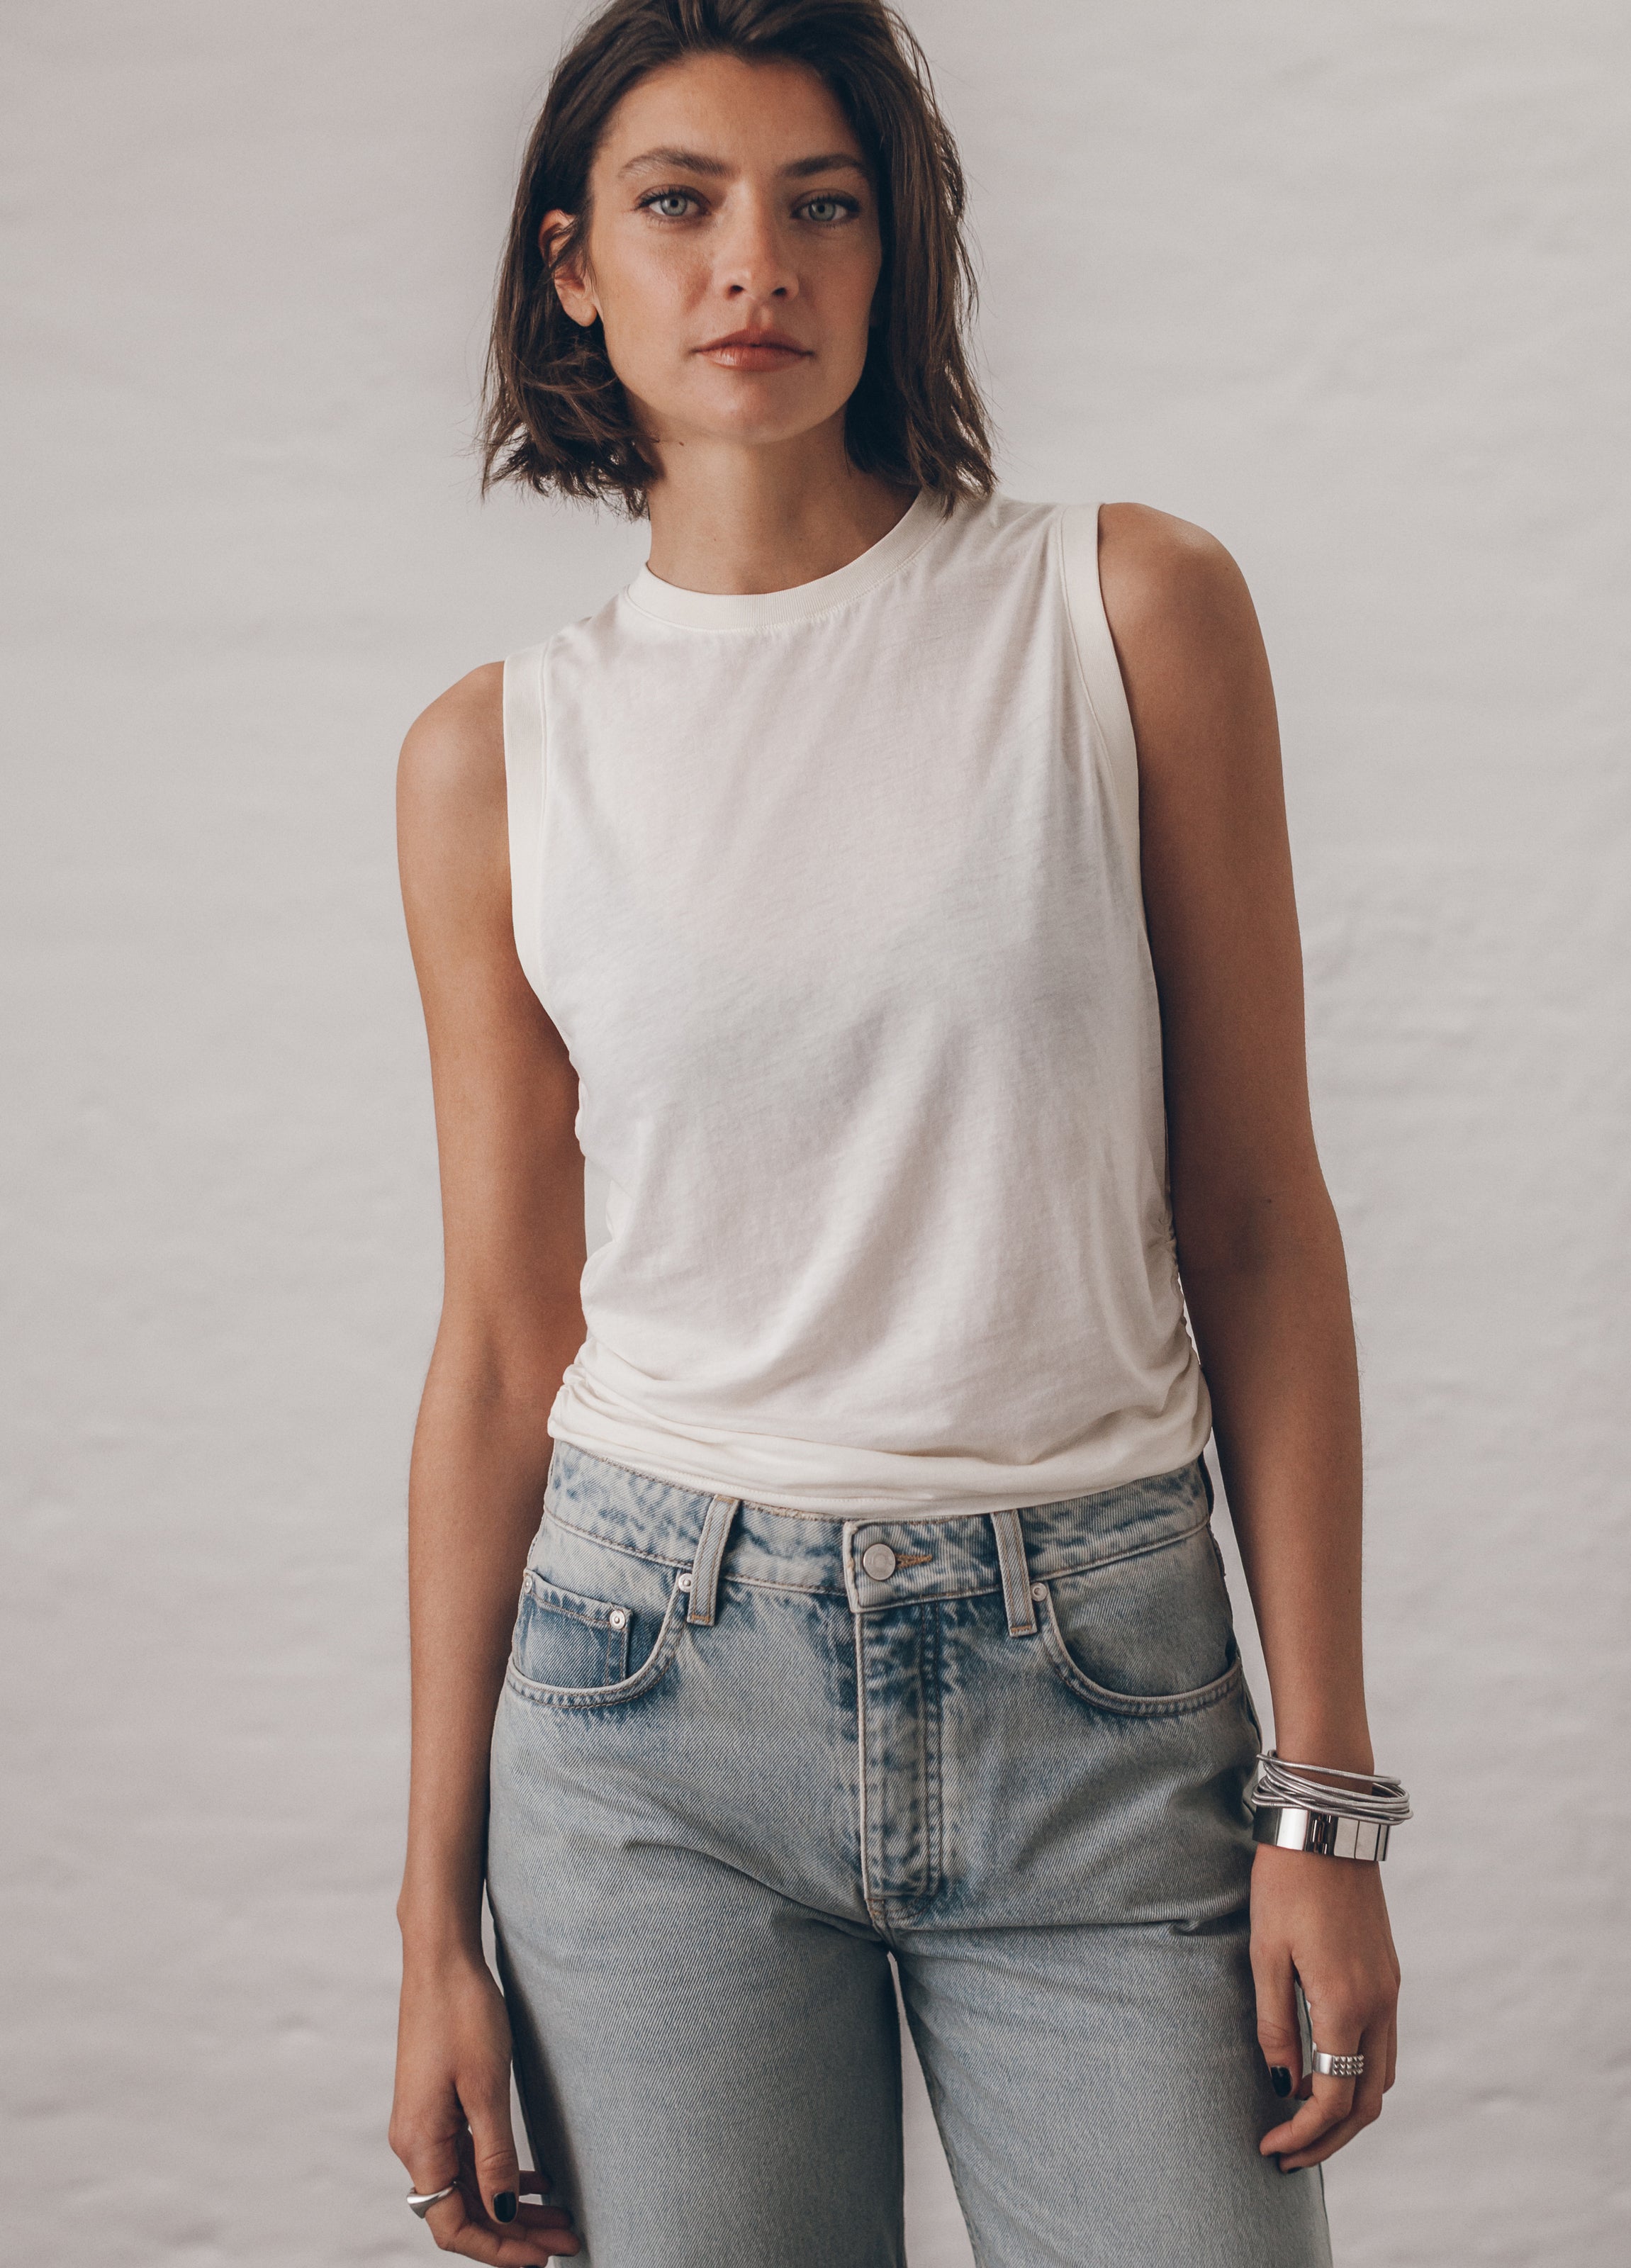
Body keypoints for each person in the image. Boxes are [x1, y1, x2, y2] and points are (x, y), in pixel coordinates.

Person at [386, 1, 1402, 2262]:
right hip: (648, 1712)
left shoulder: (1122, 616)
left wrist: (1323, 1803)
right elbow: (501, 1348)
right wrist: (432, 1922)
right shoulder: (495, 763)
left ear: (891, 252)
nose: (756, 262)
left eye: (822, 204)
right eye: (680, 203)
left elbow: (1256, 1223)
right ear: (574, 267)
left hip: (1102, 1688)